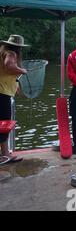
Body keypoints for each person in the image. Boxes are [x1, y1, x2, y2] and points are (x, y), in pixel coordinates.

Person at [0, 35, 28, 164]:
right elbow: (8, 65)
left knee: (2, 125)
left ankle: (4, 154)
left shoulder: (2, 51)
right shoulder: (11, 53)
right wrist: (22, 70)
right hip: (2, 94)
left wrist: (16, 86)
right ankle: (5, 155)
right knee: (4, 125)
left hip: (3, 92)